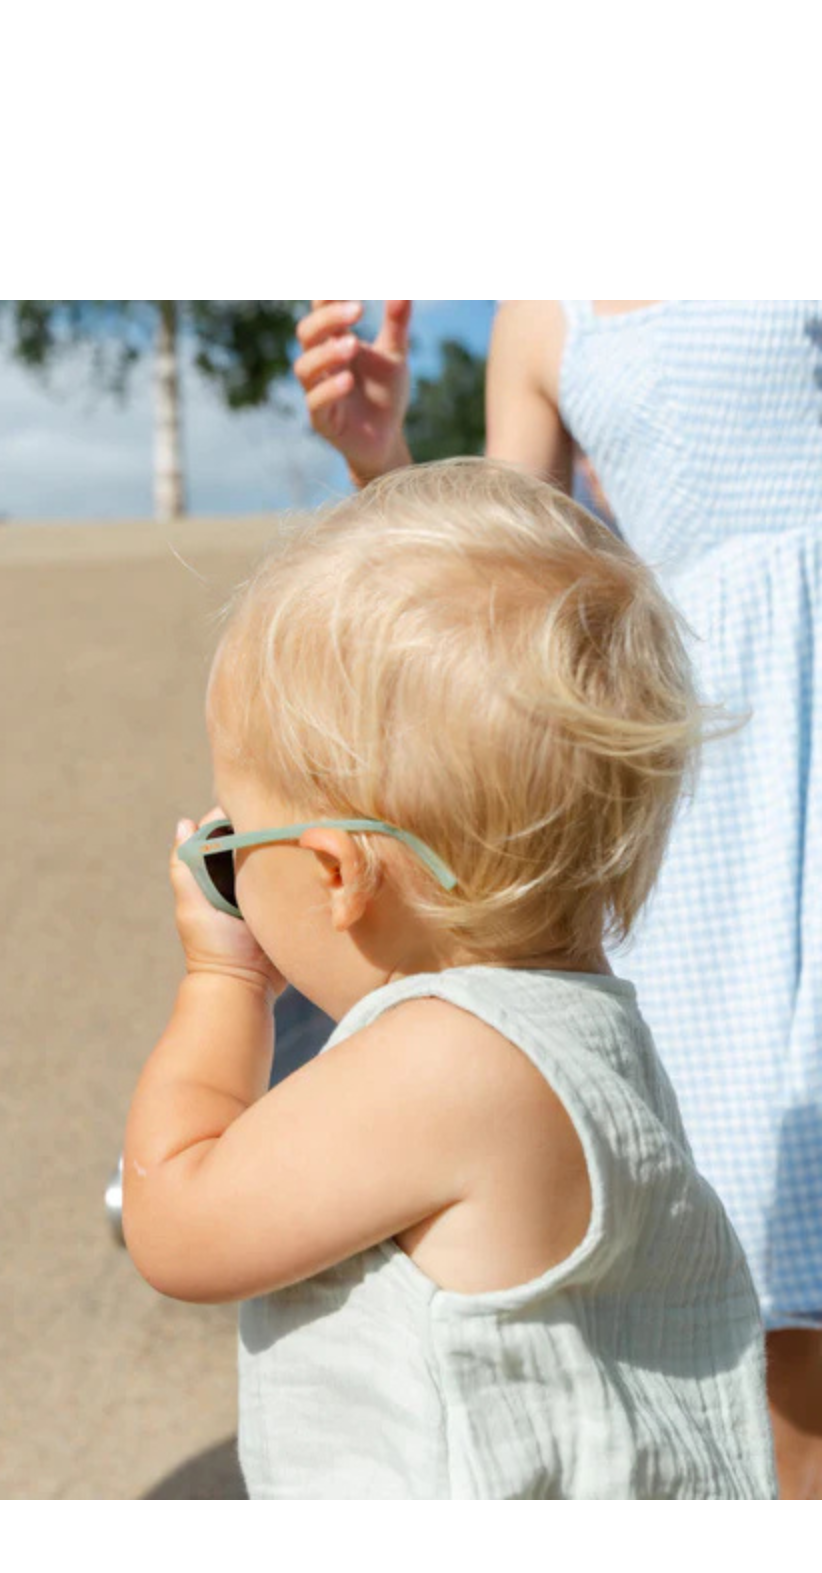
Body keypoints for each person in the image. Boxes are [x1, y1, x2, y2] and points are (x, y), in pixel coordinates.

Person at [121, 458, 776, 1499]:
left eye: (232, 841)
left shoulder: (443, 1061)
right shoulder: (586, 1033)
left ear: (335, 875)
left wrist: (220, 980)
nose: (226, 864)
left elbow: (174, 1222)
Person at [294, 298, 822, 1500]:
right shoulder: (545, 309)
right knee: (752, 1262)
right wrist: (381, 462)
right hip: (710, 790)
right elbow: (507, 600)